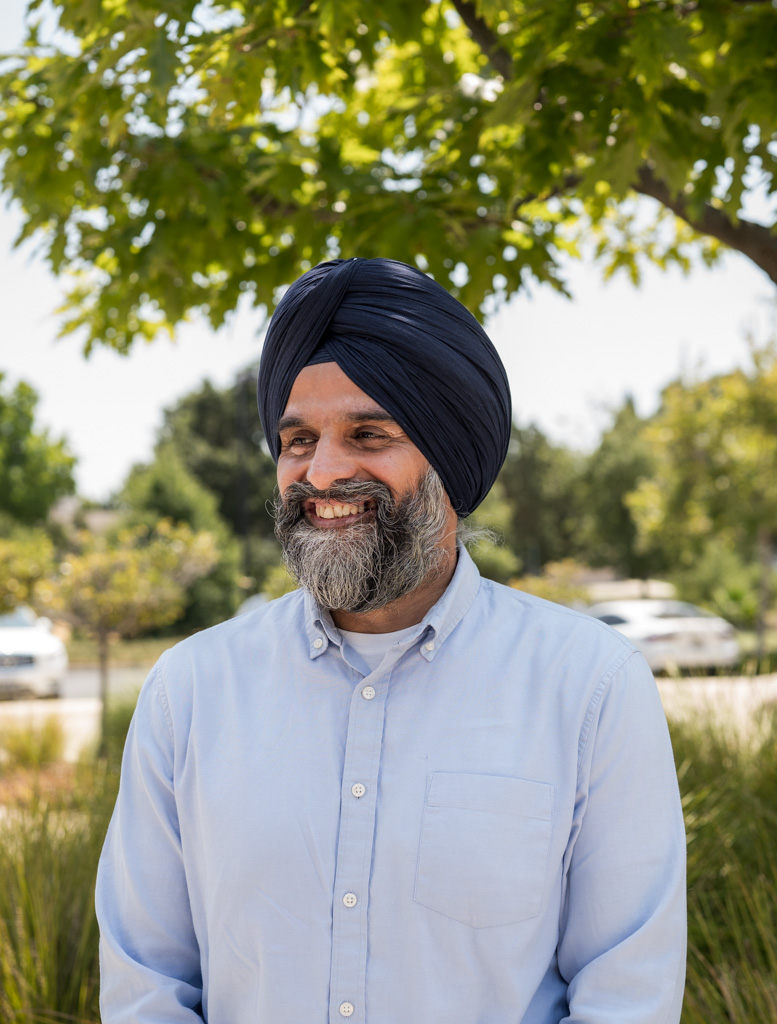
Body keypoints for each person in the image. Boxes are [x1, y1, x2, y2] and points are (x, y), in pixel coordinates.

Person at [96, 257, 686, 1024]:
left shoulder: (589, 686)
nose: (323, 472)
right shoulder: (192, 690)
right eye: (297, 440)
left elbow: (624, 994)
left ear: (449, 457)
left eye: (369, 433)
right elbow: (147, 984)